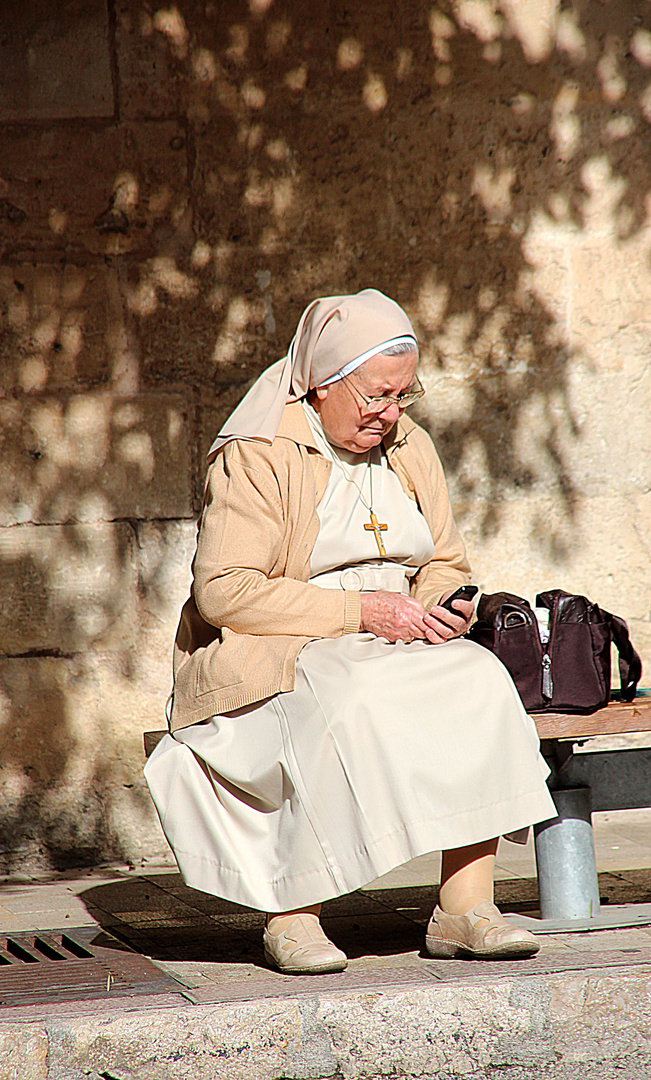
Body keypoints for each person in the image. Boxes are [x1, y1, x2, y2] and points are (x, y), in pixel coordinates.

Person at [145, 289, 556, 975]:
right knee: (345, 697)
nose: (390, 414)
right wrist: (361, 613)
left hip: (392, 632)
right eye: (374, 397)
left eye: (402, 396)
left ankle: (464, 905)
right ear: (320, 385)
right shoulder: (259, 453)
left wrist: (442, 599)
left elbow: (442, 558)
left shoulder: (407, 444)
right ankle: (294, 913)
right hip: (277, 640)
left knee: (480, 677)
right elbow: (223, 592)